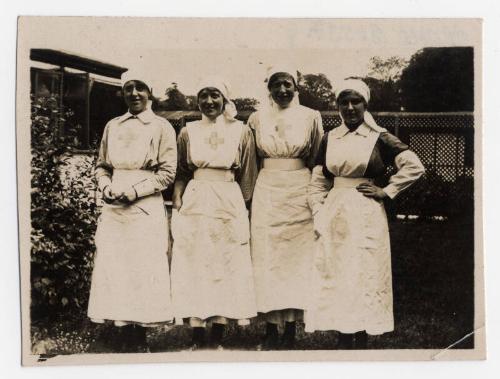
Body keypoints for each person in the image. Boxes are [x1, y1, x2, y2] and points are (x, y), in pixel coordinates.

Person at [305, 79, 425, 349]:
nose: (349, 107)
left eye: (355, 101)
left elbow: (414, 166)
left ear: (365, 104)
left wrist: (387, 190)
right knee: (337, 270)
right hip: (335, 209)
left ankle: (360, 334)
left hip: (365, 211)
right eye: (343, 102)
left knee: (363, 270)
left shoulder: (378, 136)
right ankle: (343, 334)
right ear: (337, 106)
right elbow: (318, 178)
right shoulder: (330, 137)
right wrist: (319, 209)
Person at [87, 71, 177, 352]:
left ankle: (139, 337)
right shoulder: (113, 125)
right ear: (122, 93)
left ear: (150, 92)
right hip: (114, 206)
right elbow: (101, 164)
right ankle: (120, 332)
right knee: (116, 266)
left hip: (144, 205)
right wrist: (105, 185)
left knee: (142, 268)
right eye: (129, 89)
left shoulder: (161, 127)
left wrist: (135, 191)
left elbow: (168, 173)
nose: (135, 93)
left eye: (140, 88)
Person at [170, 78, 258, 350]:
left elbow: (247, 173)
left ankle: (218, 334)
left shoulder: (241, 131)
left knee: (226, 261)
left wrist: (242, 207)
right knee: (196, 262)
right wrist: (177, 197)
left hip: (228, 198)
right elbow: (182, 171)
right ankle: (197, 336)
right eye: (204, 96)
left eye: (215, 95)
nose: (209, 101)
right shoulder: (188, 131)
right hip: (196, 199)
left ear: (225, 99)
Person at [248, 65, 323, 349]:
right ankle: (270, 327)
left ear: (296, 87)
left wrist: (316, 195)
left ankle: (291, 328)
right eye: (276, 84)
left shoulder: (310, 117)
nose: (282, 90)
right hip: (267, 188)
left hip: (299, 188)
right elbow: (252, 159)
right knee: (268, 256)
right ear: (268, 88)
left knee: (296, 258)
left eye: (287, 84)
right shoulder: (256, 118)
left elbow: (316, 157)